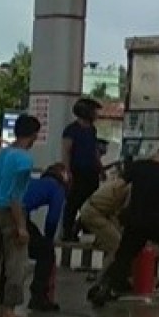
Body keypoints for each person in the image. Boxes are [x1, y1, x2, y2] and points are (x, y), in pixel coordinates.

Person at [88, 139, 159, 307]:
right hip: (156, 221)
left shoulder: (138, 166)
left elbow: (119, 186)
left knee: (124, 256)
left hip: (135, 220)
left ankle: (107, 287)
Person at [0, 114, 41, 317]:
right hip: (11, 215)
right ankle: (8, 313)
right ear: (33, 136)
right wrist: (22, 227)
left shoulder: (0, 156)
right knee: (16, 265)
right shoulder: (24, 159)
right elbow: (15, 196)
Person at [21, 163, 69, 312]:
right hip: (20, 216)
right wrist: (49, 240)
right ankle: (39, 297)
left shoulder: (34, 182)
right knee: (46, 253)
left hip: (5, 212)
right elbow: (52, 218)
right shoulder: (57, 188)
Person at [61, 98, 103, 241]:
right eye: (94, 111)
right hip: (77, 171)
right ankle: (67, 232)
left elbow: (95, 150)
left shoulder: (92, 130)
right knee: (74, 202)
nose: (96, 114)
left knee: (91, 203)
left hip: (92, 171)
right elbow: (66, 151)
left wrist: (100, 167)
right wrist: (67, 171)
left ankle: (86, 230)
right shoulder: (71, 130)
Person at [78, 171, 130, 260]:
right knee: (117, 244)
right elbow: (124, 210)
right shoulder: (127, 188)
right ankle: (107, 271)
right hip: (95, 213)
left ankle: (100, 263)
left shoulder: (120, 183)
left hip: (94, 211)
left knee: (111, 239)